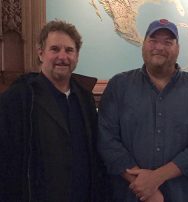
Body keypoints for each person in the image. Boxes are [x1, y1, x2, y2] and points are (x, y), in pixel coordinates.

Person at [98, 19, 188, 202]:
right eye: (153, 40)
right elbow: (107, 140)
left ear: (178, 49)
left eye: (168, 42)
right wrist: (143, 187)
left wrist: (156, 178)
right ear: (143, 44)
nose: (159, 47)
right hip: (129, 195)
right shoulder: (119, 86)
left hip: (184, 196)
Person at [0, 20, 108, 202]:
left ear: (77, 56)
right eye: (55, 49)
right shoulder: (19, 98)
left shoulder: (85, 99)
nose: (62, 57)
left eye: (69, 50)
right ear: (41, 53)